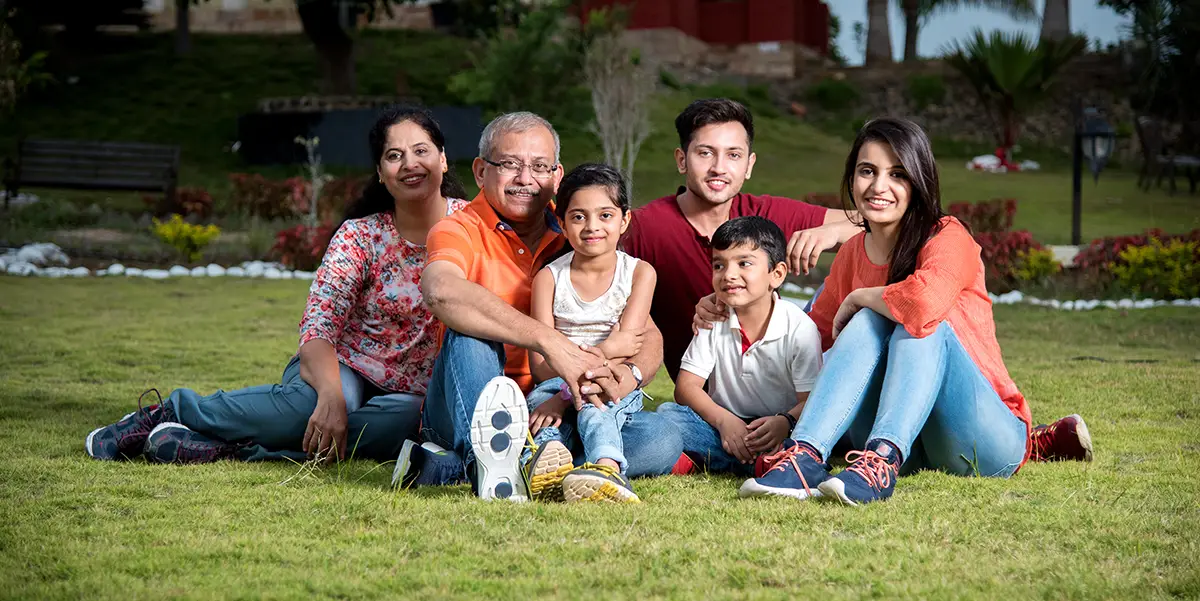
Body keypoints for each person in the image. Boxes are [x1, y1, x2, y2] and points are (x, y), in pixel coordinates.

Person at [84, 104, 470, 472]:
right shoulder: (360, 236)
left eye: (421, 150)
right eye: (394, 155)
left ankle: (226, 446)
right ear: (381, 173)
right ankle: (175, 411)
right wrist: (332, 398)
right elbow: (319, 329)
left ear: (443, 159)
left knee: (411, 422)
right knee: (312, 408)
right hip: (343, 368)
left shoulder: (473, 227)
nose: (410, 164)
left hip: (415, 394)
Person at [739, 117, 1034, 505]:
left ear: (918, 182)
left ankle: (881, 460)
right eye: (867, 171)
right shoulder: (850, 255)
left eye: (897, 174)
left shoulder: (948, 236)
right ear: (852, 178)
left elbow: (923, 305)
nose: (879, 187)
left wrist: (861, 296)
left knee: (915, 323)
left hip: (982, 439)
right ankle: (806, 458)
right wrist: (735, 306)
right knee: (866, 323)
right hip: (907, 447)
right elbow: (803, 341)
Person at [418, 112, 682, 502]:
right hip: (473, 401)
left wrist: (627, 377)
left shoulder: (579, 230)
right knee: (469, 332)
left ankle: (524, 463)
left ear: (556, 176)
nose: (526, 178)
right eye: (510, 164)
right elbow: (441, 290)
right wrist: (550, 343)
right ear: (479, 171)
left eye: (539, 167)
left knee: (662, 439)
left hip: (568, 406)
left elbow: (648, 334)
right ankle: (495, 456)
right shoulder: (457, 229)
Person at [620, 98, 861, 383]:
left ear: (749, 164)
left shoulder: (765, 213)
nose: (719, 168)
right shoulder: (645, 227)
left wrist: (831, 231)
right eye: (705, 153)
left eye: (733, 155)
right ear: (682, 160)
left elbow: (887, 227)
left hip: (783, 377)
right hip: (706, 392)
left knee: (866, 294)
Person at [525, 163, 657, 504]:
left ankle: (608, 468)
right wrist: (608, 347)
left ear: (624, 220)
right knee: (539, 410)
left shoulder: (640, 274)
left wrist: (569, 391)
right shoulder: (548, 279)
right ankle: (546, 463)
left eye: (605, 215)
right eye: (579, 217)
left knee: (596, 408)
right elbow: (540, 366)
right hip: (553, 383)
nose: (592, 227)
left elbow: (629, 350)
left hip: (610, 383)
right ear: (562, 222)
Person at [657, 216, 823, 483]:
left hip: (775, 428)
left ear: (777, 274)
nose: (728, 275)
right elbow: (685, 389)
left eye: (744, 263)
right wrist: (724, 421)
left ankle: (714, 460)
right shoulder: (713, 318)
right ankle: (750, 463)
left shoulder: (799, 329)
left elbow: (812, 401)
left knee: (803, 440)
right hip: (720, 424)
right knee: (669, 416)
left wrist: (784, 423)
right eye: (719, 265)